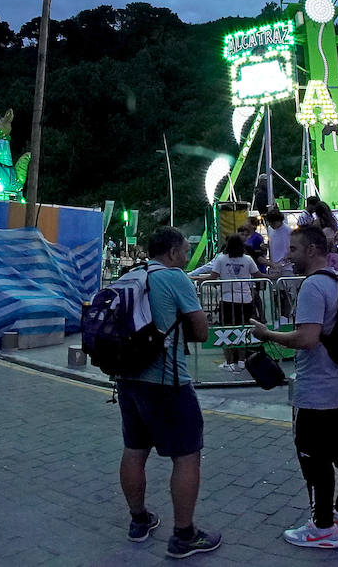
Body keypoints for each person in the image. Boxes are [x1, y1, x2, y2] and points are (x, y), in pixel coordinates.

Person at [250, 225, 338, 549]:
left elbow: (307, 338)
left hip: (316, 390)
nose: (288, 257)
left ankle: (322, 527)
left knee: (314, 458)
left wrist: (268, 334)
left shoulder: (313, 287)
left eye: (294, 250)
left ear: (312, 250)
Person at [113, 227, 219, 559]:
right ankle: (184, 536)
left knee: (134, 450)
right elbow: (201, 331)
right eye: (186, 252)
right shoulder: (175, 278)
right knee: (187, 455)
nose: (187, 258)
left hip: (128, 378)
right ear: (172, 252)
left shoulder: (130, 276)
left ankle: (139, 520)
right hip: (167, 381)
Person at [192, 234, 264, 372]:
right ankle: (242, 360)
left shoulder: (221, 259)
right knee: (243, 329)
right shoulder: (248, 259)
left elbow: (212, 276)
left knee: (226, 329)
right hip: (245, 299)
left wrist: (195, 277)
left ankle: (230, 362)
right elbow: (258, 275)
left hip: (227, 299)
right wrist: (273, 276)